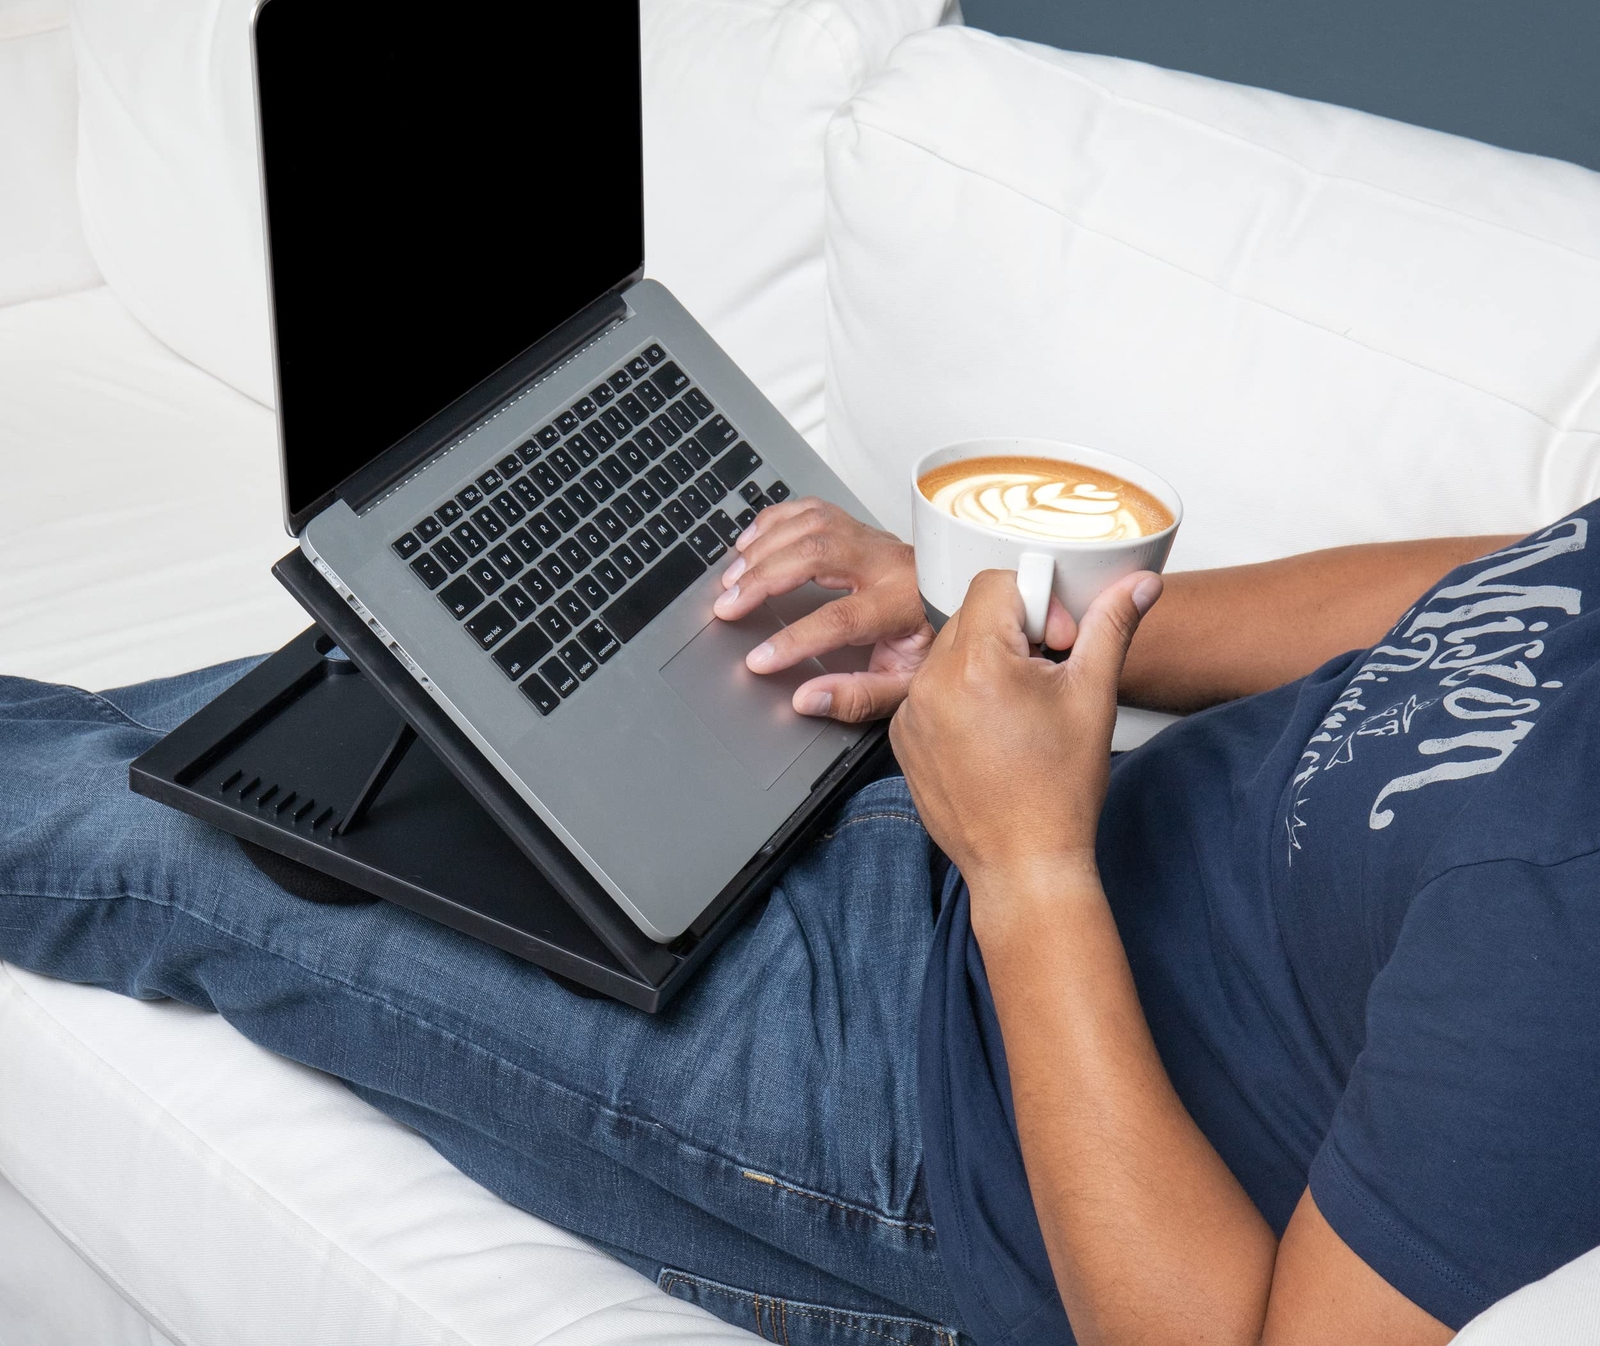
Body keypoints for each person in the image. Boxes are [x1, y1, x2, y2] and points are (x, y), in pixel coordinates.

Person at [3, 495, 1598, 1346]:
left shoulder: (1563, 949)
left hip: (932, 1109)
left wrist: (1028, 872)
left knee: (150, 837)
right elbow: (1504, 581)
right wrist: (1018, 619)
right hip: (1016, 807)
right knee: (334, 707)